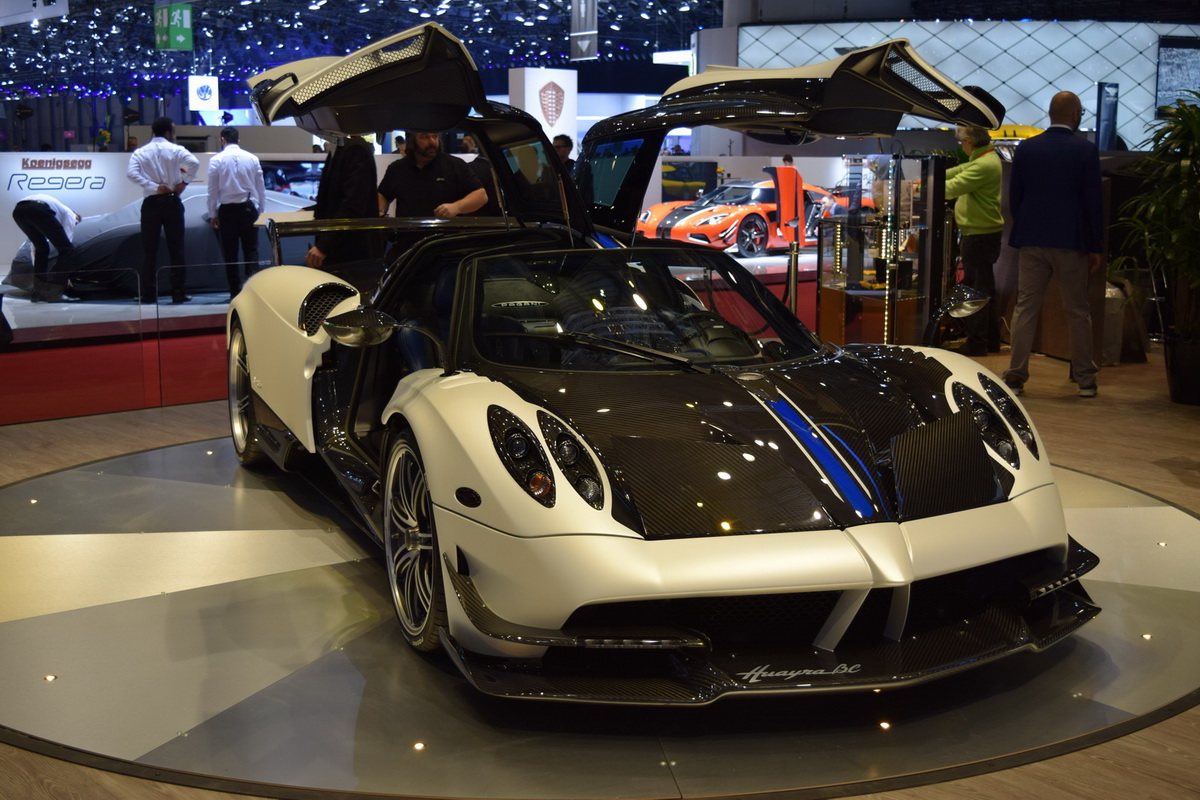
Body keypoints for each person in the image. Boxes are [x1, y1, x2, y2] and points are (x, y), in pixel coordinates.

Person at [1005, 91, 1104, 398]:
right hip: (1070, 240)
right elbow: (1092, 201)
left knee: (1026, 308)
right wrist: (1095, 245)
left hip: (1032, 239)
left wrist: (1027, 224)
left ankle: (1015, 376)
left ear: (1050, 114)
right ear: (1075, 115)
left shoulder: (1027, 149)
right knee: (1076, 309)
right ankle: (1085, 379)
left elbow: (1015, 197)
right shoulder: (1085, 151)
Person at [126, 116, 200, 303]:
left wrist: (153, 186)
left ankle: (148, 294)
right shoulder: (176, 149)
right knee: (177, 250)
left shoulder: (141, 152)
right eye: (173, 131)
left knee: (149, 250)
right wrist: (184, 182)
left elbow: (131, 173)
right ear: (168, 133)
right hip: (172, 202)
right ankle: (178, 293)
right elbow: (194, 163)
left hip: (151, 204)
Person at [944, 124, 1004, 356]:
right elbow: (957, 172)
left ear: (968, 142)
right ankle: (990, 341)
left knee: (976, 290)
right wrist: (931, 173)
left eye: (961, 142)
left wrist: (924, 185)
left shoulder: (983, 164)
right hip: (982, 233)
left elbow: (952, 187)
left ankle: (977, 343)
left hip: (979, 235)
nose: (961, 146)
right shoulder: (984, 159)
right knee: (984, 288)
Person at [206, 127, 267, 297]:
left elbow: (212, 191)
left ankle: (234, 292)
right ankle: (254, 291)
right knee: (251, 251)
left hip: (227, 211)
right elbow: (261, 189)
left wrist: (212, 213)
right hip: (249, 210)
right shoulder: (252, 158)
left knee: (230, 253)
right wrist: (261, 210)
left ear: (222, 140)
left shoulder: (216, 160)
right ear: (238, 141)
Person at [306, 136, 378, 269]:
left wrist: (324, 246)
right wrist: (308, 210)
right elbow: (335, 197)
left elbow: (353, 205)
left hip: (350, 249)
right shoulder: (340, 147)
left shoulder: (355, 148)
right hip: (340, 245)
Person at [377, 131, 485, 219]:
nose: (432, 141)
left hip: (446, 238)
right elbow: (382, 194)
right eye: (425, 137)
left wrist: (456, 207)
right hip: (408, 237)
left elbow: (481, 195)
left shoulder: (455, 165)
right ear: (412, 141)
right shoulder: (397, 168)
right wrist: (380, 211)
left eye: (435, 136)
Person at [12, 193, 81, 302]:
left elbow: (35, 248)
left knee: (42, 248)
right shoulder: (71, 215)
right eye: (76, 223)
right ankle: (56, 293)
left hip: (19, 211)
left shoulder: (57, 212)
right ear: (76, 217)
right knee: (68, 250)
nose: (75, 224)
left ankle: (38, 293)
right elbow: (66, 248)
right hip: (38, 209)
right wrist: (64, 277)